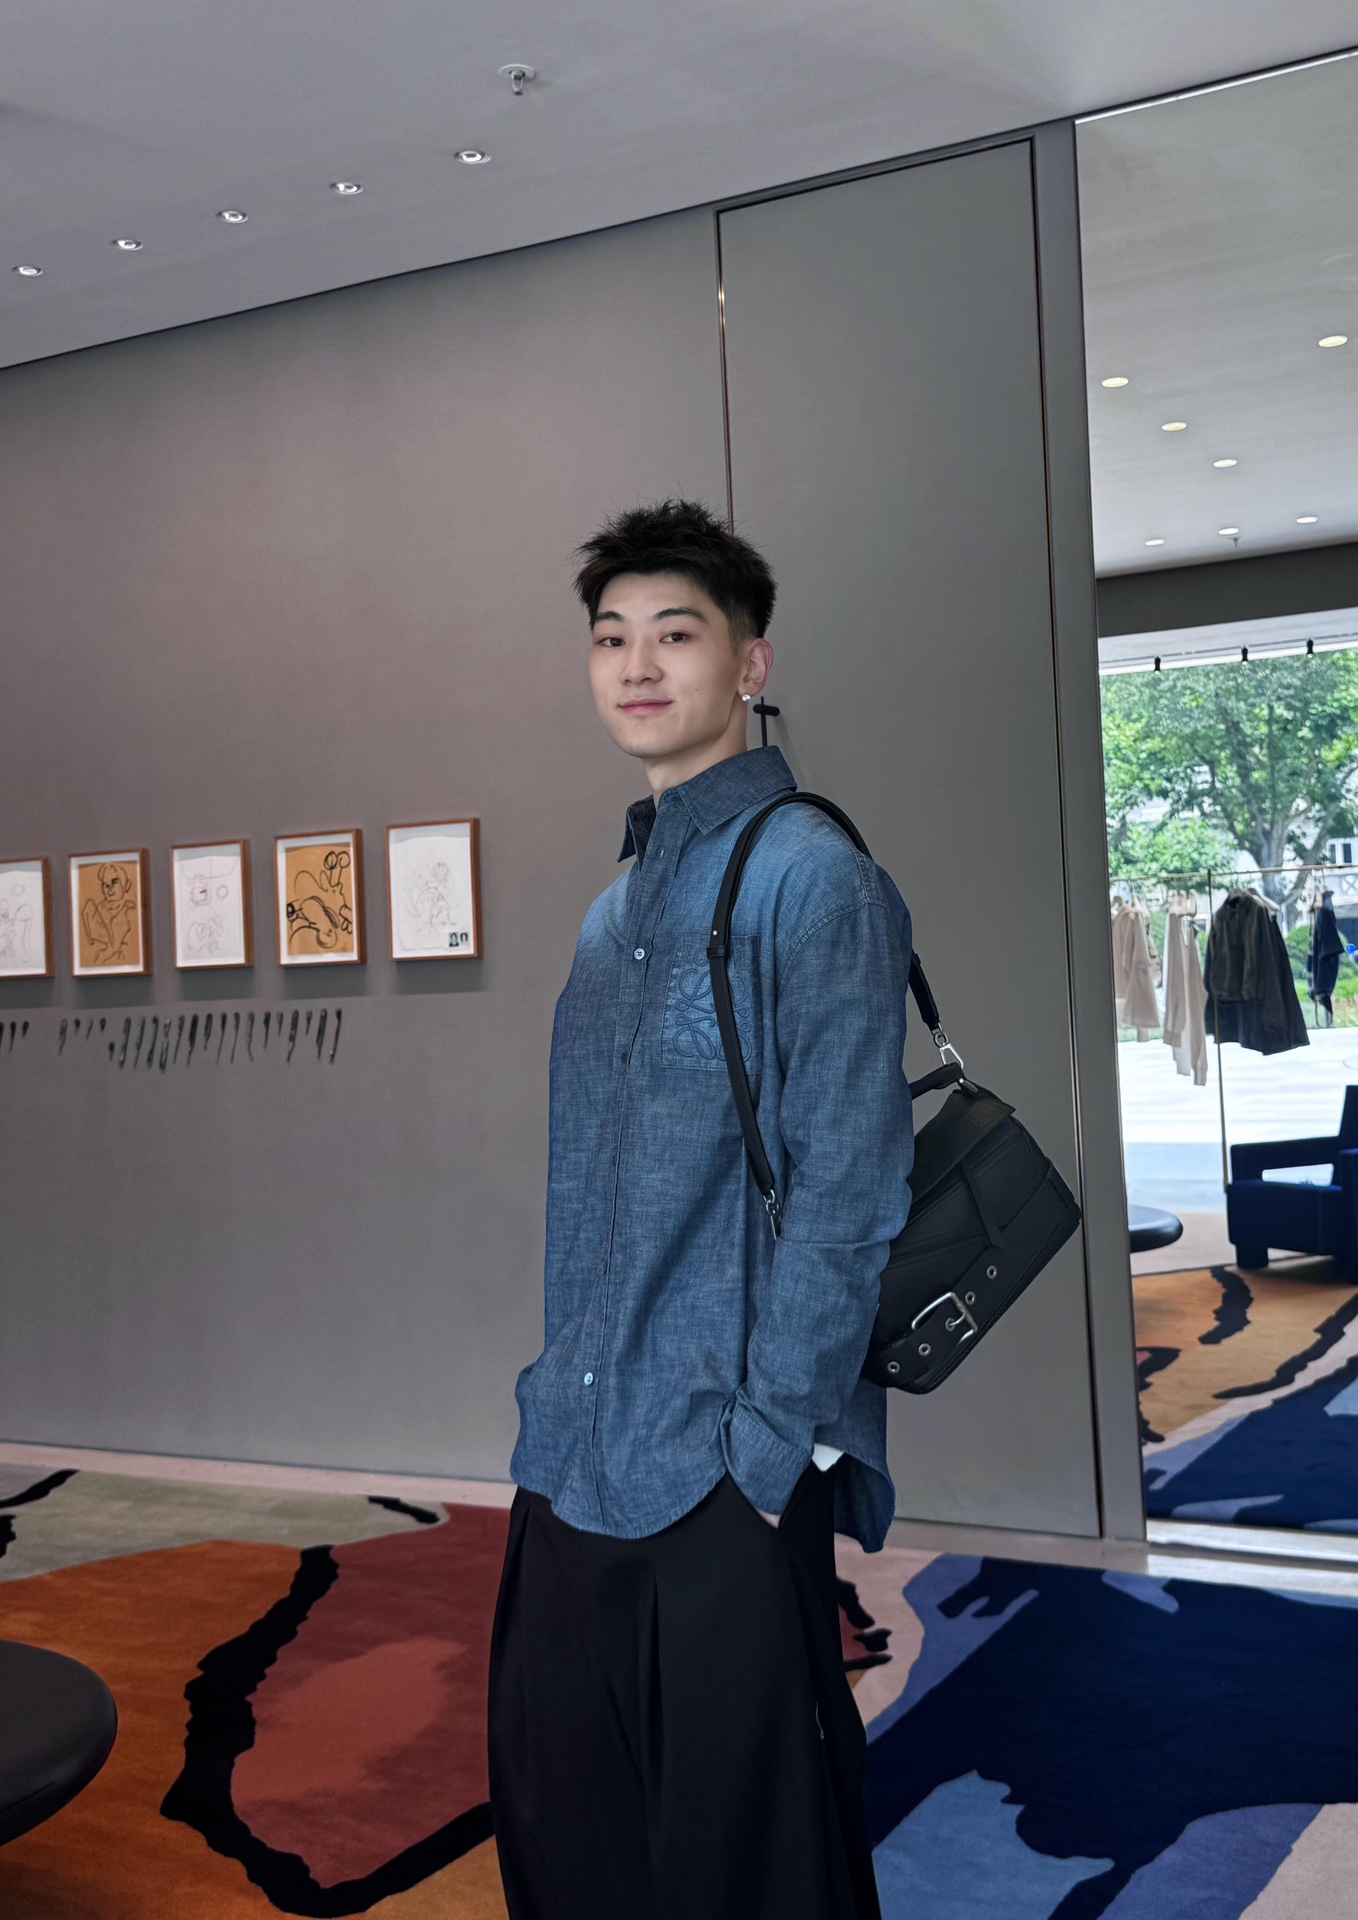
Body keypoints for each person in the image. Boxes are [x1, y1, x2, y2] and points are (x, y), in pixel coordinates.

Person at [488, 499, 916, 1920]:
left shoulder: (818, 881)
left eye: (675, 634)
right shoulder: (616, 911)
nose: (637, 664)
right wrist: (556, 1389)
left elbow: (851, 1190)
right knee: (568, 1826)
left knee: (746, 1857)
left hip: (724, 1455)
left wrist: (770, 1442)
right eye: (611, 637)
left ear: (750, 662)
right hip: (575, 1438)